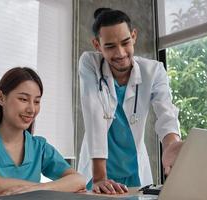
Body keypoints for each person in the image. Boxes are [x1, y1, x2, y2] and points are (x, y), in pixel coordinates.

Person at [77, 8, 183, 195]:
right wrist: (99, 177)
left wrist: (171, 144)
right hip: (98, 170)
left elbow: (166, 111)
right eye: (110, 46)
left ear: (133, 36)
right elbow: (93, 111)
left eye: (125, 42)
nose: (120, 53)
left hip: (134, 169)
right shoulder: (90, 63)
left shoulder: (154, 70)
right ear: (97, 45)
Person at [0, 67, 86, 198]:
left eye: (36, 101)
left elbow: (79, 180)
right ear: (1, 98)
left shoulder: (39, 146)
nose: (31, 109)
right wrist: (51, 188)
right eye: (23, 99)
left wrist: (41, 188)